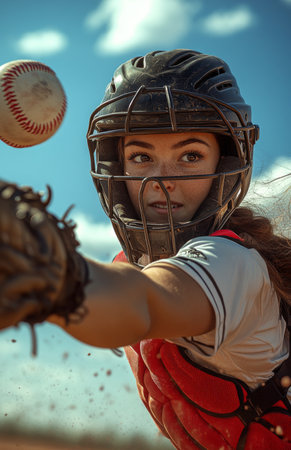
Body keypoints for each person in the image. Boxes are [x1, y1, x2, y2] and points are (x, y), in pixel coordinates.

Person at [49, 49, 291, 449]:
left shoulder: (232, 265)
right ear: (115, 168)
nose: (162, 181)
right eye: (141, 156)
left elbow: (144, 303)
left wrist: (44, 272)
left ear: (227, 165)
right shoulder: (129, 267)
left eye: (190, 156)